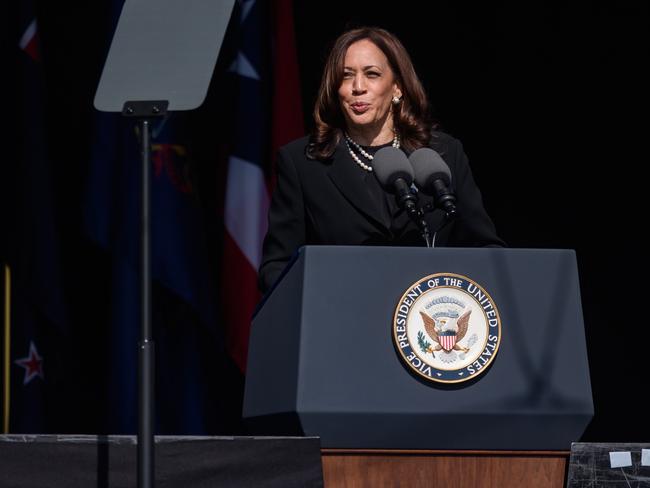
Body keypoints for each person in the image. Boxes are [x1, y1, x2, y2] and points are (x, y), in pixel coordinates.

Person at [258, 27, 504, 293]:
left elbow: (487, 250)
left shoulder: (443, 154)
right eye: (345, 76)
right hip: (342, 318)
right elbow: (276, 268)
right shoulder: (303, 163)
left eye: (372, 74)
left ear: (397, 86)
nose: (358, 88)